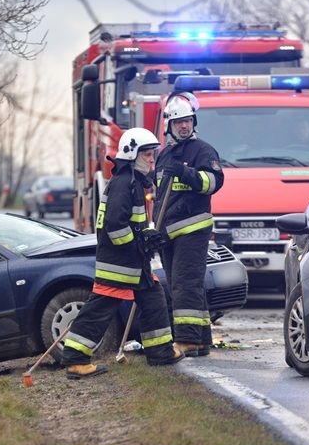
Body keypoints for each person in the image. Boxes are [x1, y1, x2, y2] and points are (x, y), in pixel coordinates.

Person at [62, 127, 185, 379]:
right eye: (148, 154)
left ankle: (159, 351)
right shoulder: (123, 184)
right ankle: (75, 359)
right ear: (132, 154)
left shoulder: (134, 183)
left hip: (133, 263)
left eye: (153, 154)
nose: (152, 159)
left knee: (153, 298)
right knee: (100, 310)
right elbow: (115, 227)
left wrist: (147, 237)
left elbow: (134, 223)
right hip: (119, 264)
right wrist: (138, 244)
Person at [154, 92, 224, 357]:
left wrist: (186, 172)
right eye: (178, 122)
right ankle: (202, 340)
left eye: (187, 121)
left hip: (192, 229)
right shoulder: (164, 155)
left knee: (186, 284)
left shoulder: (202, 151)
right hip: (168, 232)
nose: (183, 126)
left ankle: (185, 341)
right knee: (178, 285)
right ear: (169, 126)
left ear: (194, 122)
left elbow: (213, 183)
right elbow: (159, 196)